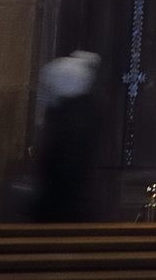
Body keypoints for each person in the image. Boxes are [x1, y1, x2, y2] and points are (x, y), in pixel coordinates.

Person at [27, 51, 101, 220]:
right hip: (68, 200)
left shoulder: (72, 115)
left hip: (63, 203)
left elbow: (62, 162)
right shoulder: (84, 111)